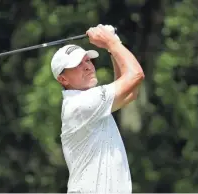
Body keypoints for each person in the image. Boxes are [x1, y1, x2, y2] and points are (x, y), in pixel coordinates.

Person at [50, 24, 145, 193]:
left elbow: (131, 93)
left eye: (87, 60)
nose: (88, 66)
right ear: (62, 79)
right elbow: (136, 75)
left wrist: (113, 45)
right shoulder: (80, 104)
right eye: (77, 64)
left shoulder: (92, 104)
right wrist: (111, 42)